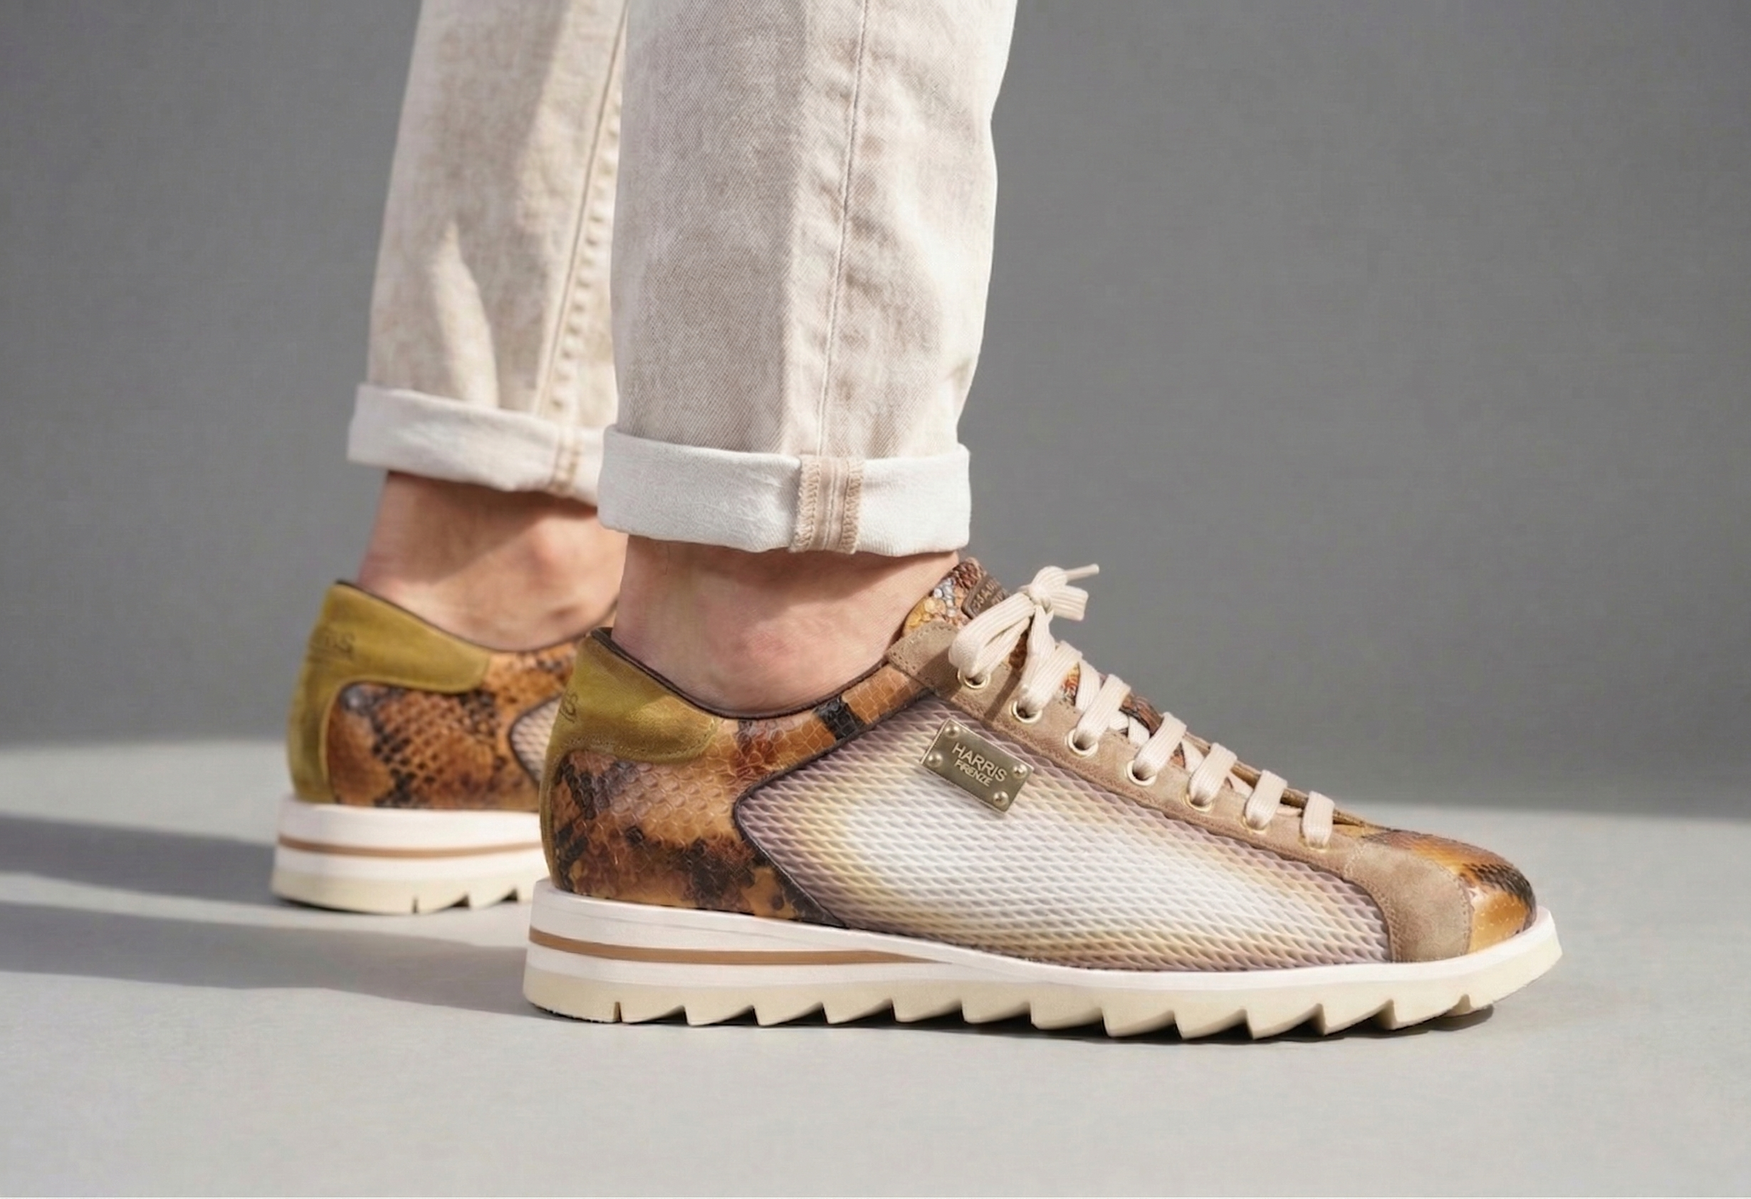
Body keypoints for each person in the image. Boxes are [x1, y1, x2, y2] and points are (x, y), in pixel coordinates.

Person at [273, 0, 1559, 1037]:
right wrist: (796, 501)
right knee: (785, 550)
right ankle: (778, 617)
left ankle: (495, 554)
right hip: (790, 711)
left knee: (513, 515)